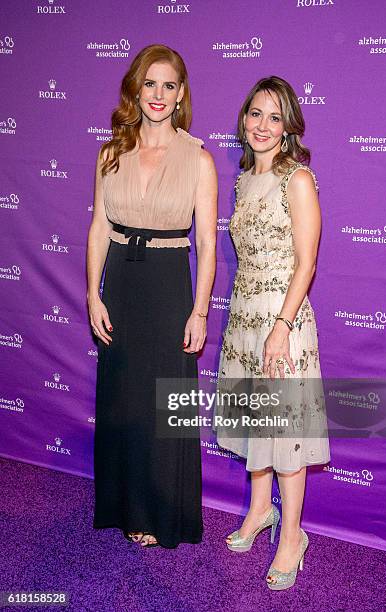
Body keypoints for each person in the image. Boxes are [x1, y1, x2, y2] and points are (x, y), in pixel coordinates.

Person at [87, 44, 217, 549]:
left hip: (168, 285)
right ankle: (124, 506)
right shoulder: (110, 152)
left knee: (164, 403)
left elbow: (206, 242)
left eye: (169, 85)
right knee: (122, 400)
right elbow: (99, 227)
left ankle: (162, 511)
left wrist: (200, 309)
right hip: (120, 280)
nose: (158, 95)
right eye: (149, 83)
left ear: (181, 93)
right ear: (135, 90)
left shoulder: (199, 159)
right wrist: (93, 296)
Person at [216, 76, 330, 589]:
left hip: (282, 321)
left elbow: (306, 264)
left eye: (274, 117)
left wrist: (281, 328)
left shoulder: (297, 179)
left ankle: (292, 536)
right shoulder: (243, 180)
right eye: (255, 114)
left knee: (286, 435)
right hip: (244, 318)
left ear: (288, 128)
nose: (262, 125)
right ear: (244, 120)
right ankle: (260, 509)